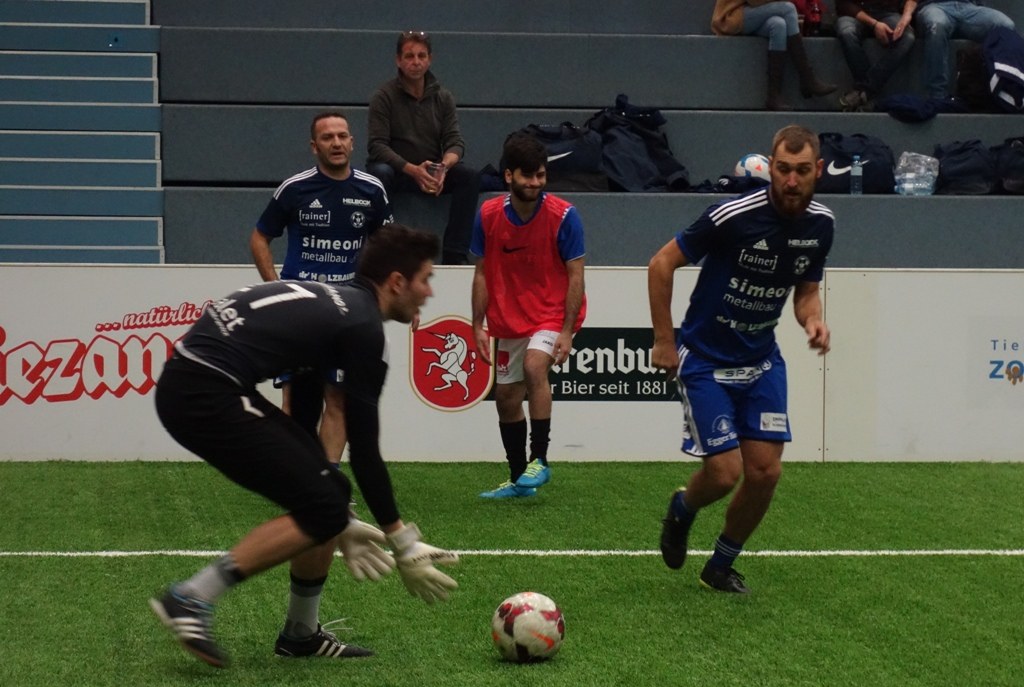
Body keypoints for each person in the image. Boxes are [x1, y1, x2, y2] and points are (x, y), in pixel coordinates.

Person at [150, 225, 459, 668]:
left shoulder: (338, 305)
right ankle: (191, 597)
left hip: (195, 383)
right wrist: (402, 541)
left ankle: (300, 634)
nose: (429, 292)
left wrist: (334, 507)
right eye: (425, 279)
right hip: (205, 391)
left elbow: (304, 410)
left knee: (330, 496)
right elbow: (364, 449)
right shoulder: (363, 328)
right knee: (327, 503)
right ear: (396, 282)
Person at [647, 124, 833, 594]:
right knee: (724, 473)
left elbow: (806, 292)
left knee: (766, 472)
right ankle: (683, 509)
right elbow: (661, 263)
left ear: (818, 170)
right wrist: (664, 340)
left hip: (762, 361)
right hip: (706, 359)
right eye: (784, 169)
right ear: (772, 167)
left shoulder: (821, 224)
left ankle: (720, 564)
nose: (791, 180)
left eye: (802, 171)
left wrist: (813, 320)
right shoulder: (733, 215)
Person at [249, 111, 393, 465]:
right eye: (328, 137)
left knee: (339, 399)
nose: (337, 143)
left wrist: (394, 296)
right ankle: (298, 477)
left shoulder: (372, 189)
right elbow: (259, 237)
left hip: (348, 313)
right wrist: (275, 287)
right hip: (300, 311)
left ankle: (328, 480)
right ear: (315, 147)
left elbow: (388, 248)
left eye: (342, 136)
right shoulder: (294, 188)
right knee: (295, 402)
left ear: (352, 142)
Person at [470, 133, 587, 499]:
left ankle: (540, 460)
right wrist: (477, 324)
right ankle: (519, 479)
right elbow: (481, 273)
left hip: (553, 313)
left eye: (541, 175)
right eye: (527, 175)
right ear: (509, 175)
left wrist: (566, 330)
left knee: (536, 366)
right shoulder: (488, 215)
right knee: (506, 399)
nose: (535, 182)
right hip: (511, 317)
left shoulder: (564, 216)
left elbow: (576, 275)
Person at [367, 30, 481, 266]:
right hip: (397, 171)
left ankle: (455, 254)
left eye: (421, 56)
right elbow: (377, 145)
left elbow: (455, 142)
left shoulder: (443, 97)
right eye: (409, 56)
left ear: (430, 59)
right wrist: (412, 169)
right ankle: (384, 250)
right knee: (379, 173)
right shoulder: (383, 96)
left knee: (469, 177)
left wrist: (443, 167)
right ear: (398, 60)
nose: (416, 62)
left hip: (431, 171)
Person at [712, 0, 837, 111]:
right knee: (787, 8)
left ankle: (773, 96)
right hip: (731, 16)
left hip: (753, 13)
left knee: (779, 25)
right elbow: (755, 1)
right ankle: (807, 78)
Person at [914, 0, 1015, 99]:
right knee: (937, 25)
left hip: (968, 7)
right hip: (935, 6)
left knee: (1006, 26)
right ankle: (936, 96)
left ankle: (1001, 95)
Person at [835, 1, 918, 111]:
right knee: (846, 32)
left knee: (907, 37)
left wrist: (907, 16)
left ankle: (865, 89)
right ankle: (867, 93)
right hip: (854, 13)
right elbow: (843, 4)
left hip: (888, 13)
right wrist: (874, 24)